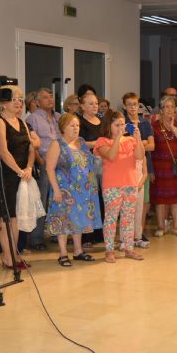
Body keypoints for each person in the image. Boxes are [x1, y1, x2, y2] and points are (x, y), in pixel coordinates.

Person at [45, 113, 101, 266]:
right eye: (72, 125)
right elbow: (49, 168)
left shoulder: (81, 142)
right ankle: (63, 254)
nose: (76, 128)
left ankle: (78, 251)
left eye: (77, 125)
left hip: (82, 190)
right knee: (63, 220)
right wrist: (56, 190)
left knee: (79, 220)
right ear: (63, 127)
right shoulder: (57, 144)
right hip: (64, 190)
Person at [94, 110, 145, 262]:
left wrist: (139, 138)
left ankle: (129, 248)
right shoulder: (102, 141)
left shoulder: (130, 141)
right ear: (109, 126)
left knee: (128, 218)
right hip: (112, 186)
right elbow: (111, 156)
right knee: (111, 218)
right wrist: (117, 138)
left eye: (123, 124)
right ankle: (109, 251)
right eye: (117, 125)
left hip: (130, 183)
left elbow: (139, 156)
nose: (121, 128)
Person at [0, 86, 34, 269]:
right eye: (14, 99)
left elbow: (31, 147)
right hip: (7, 174)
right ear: (3, 104)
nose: (19, 102)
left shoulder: (23, 122)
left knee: (17, 216)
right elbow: (3, 151)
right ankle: (7, 257)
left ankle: (15, 255)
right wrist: (19, 170)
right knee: (7, 216)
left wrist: (30, 167)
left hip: (23, 174)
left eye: (20, 99)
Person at [150, 95, 177, 236]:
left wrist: (173, 128)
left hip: (176, 168)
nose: (169, 110)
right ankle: (161, 227)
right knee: (160, 199)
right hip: (159, 168)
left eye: (172, 107)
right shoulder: (154, 127)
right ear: (161, 110)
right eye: (166, 107)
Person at [26, 88, 61, 250]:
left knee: (58, 199)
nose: (50, 100)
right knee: (41, 200)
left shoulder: (59, 117)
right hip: (44, 163)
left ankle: (56, 232)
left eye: (51, 97)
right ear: (37, 102)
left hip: (60, 164)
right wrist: (40, 163)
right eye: (45, 98)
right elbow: (32, 144)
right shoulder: (32, 118)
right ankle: (36, 238)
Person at [122, 92, 154, 248]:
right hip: (127, 167)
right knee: (127, 204)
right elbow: (124, 146)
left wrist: (136, 143)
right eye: (129, 104)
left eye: (135, 104)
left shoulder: (145, 123)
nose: (133, 107)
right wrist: (141, 143)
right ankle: (125, 237)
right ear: (124, 106)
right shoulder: (122, 123)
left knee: (143, 201)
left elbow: (152, 146)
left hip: (143, 165)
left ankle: (138, 234)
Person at [77, 92, 104, 248]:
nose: (95, 106)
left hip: (104, 165)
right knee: (87, 201)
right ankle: (86, 237)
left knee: (101, 199)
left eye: (96, 103)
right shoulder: (79, 123)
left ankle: (100, 234)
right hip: (86, 166)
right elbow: (77, 143)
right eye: (90, 103)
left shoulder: (102, 121)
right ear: (82, 106)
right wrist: (96, 143)